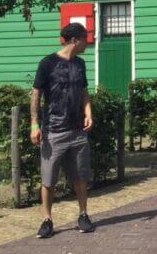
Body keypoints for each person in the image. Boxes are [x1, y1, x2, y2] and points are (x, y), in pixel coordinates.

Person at [31, 23, 95, 239]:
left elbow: (84, 91)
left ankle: (83, 215)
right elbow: (35, 94)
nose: (88, 42)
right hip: (53, 132)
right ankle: (47, 220)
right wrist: (34, 124)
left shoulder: (80, 64)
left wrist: (88, 112)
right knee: (48, 180)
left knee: (80, 176)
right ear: (75, 40)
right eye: (85, 38)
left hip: (77, 131)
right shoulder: (47, 63)